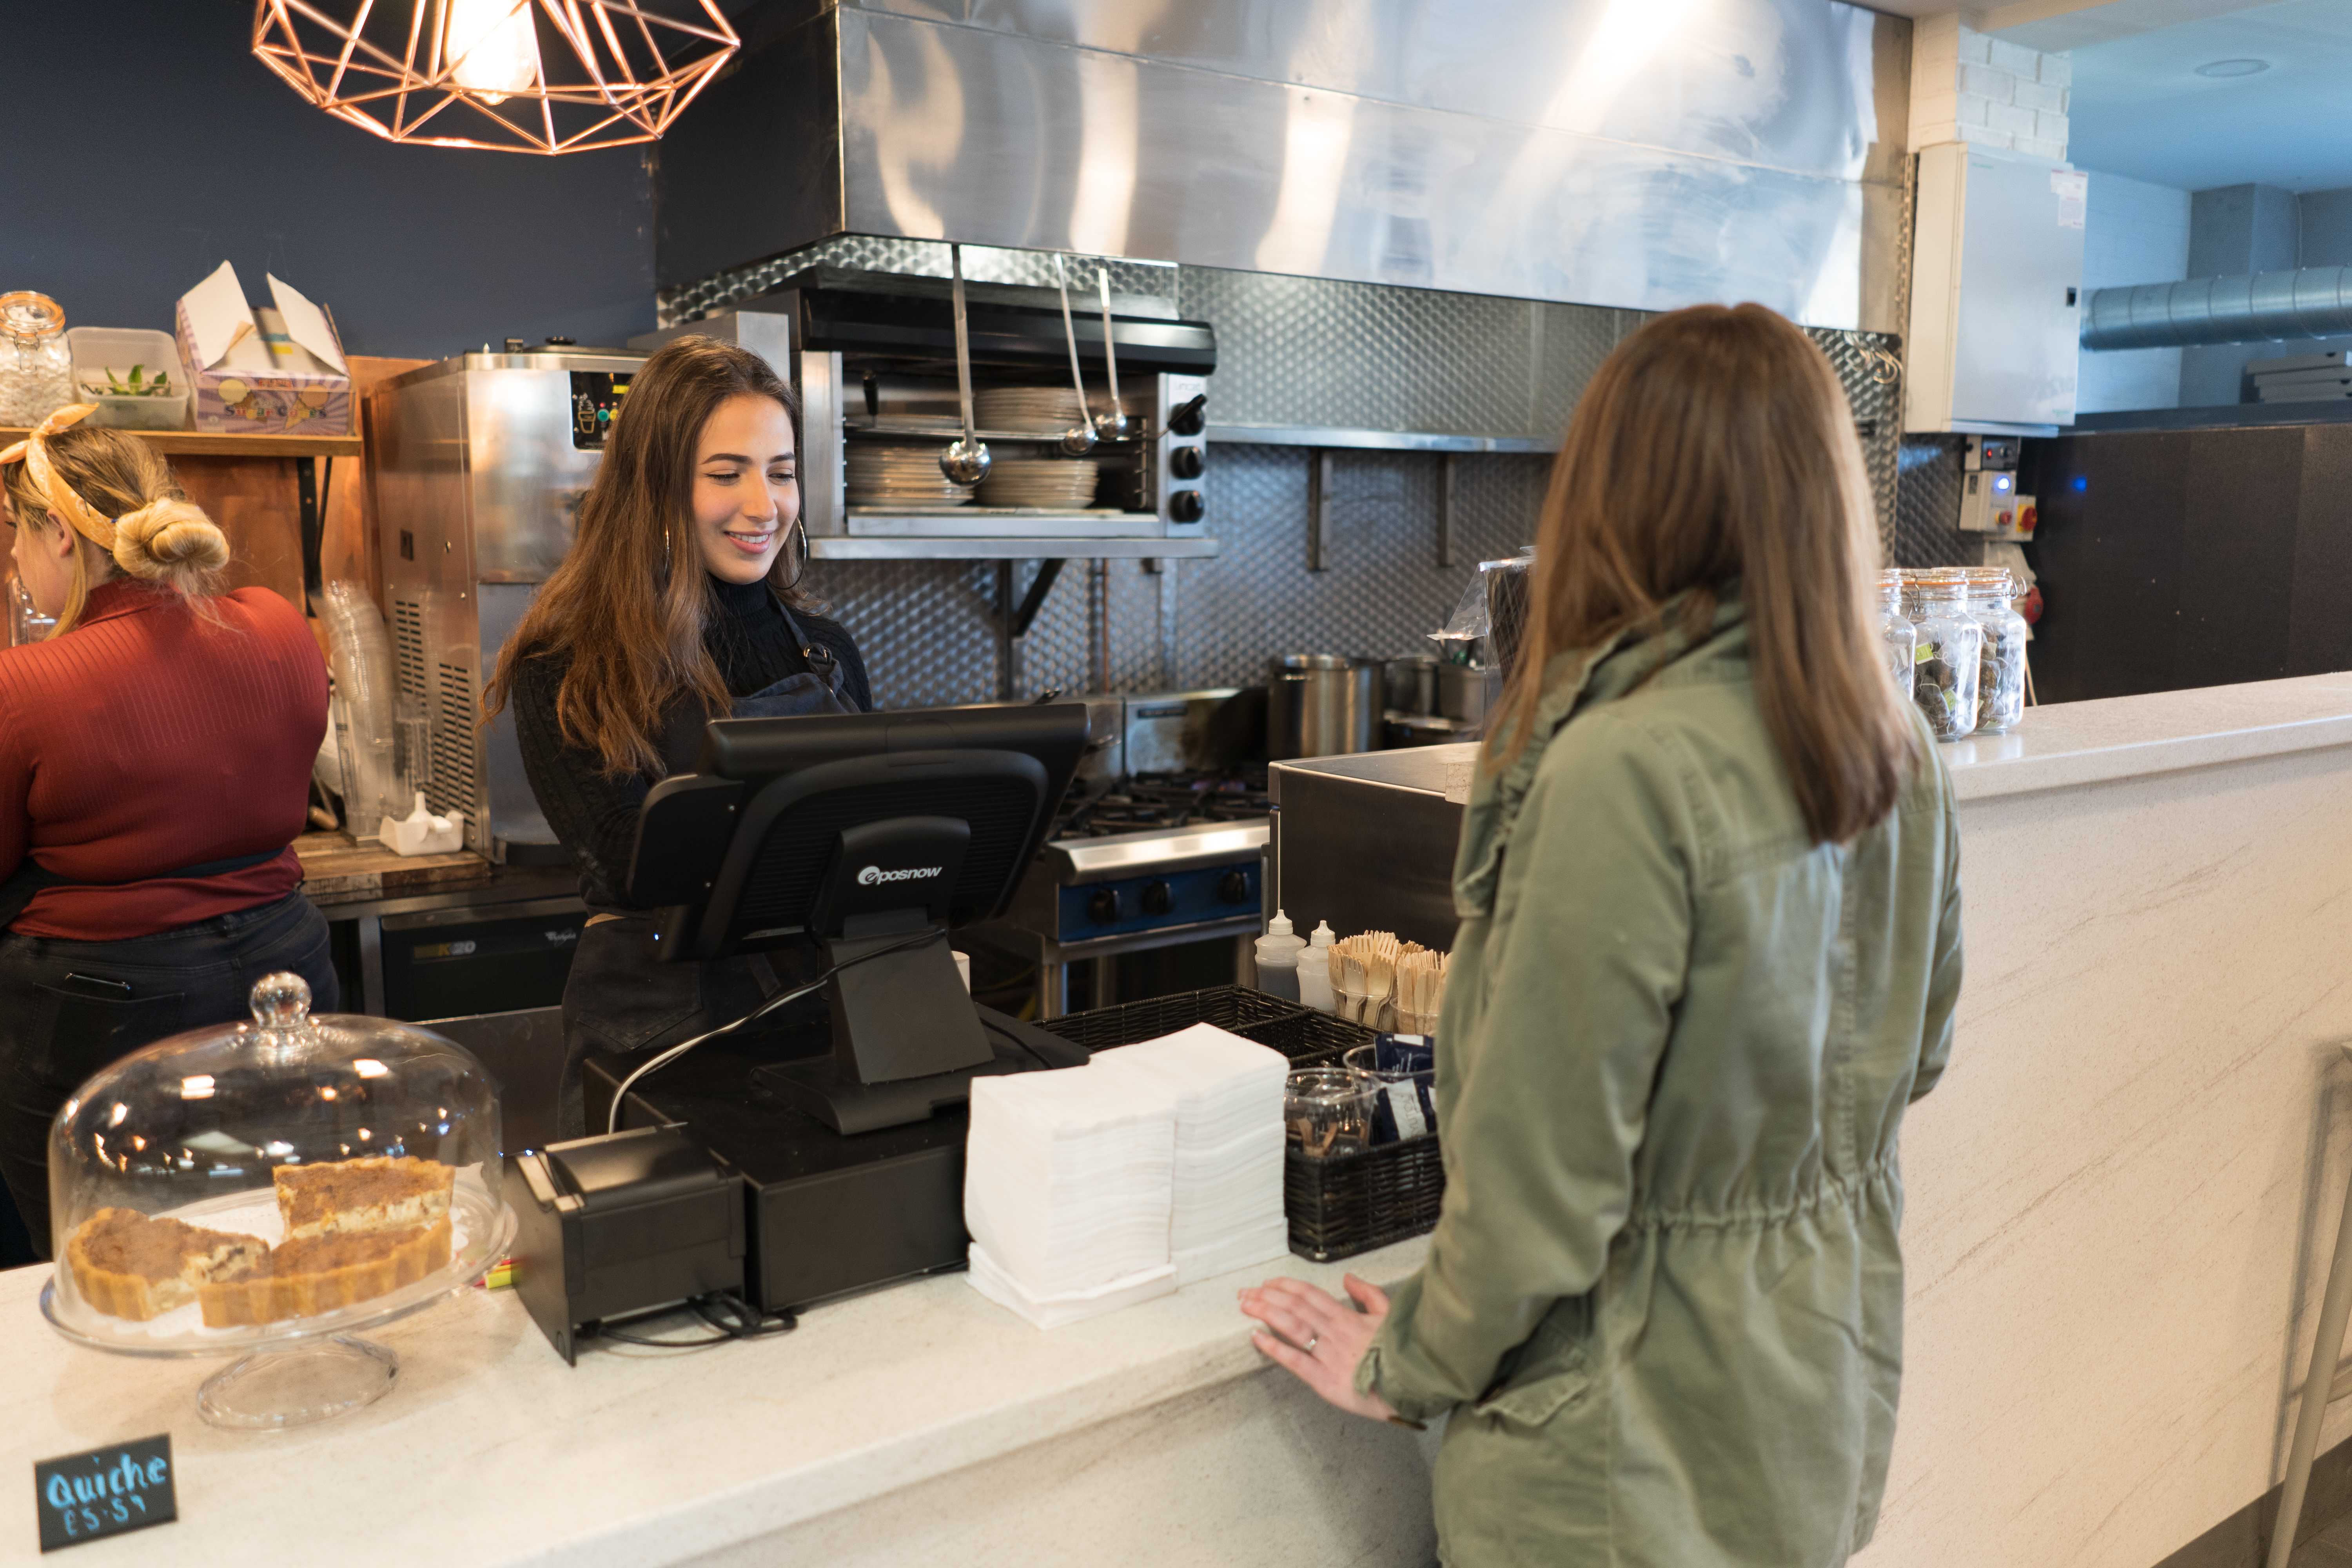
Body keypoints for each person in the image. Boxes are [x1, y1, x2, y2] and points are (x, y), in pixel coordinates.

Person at [1240, 305, 1964, 1567]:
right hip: (1813, 1401)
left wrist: (1410, 1361)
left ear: (1616, 496)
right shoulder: (1893, 747)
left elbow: (1542, 1183)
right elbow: (1922, 1052)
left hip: (1621, 1457)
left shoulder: (1622, 766)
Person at [486, 337, 871, 1138]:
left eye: (782, 470)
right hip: (659, 1041)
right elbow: (626, 860)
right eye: (726, 474)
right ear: (655, 487)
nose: (764, 506)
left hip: (818, 1021)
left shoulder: (828, 650)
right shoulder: (570, 662)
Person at [0, 406, 336, 1256]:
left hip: (103, 1008)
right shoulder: (278, 625)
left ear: (63, 537)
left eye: (15, 533)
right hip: (287, 972)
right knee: (286, 1231)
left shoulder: (26, 684)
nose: (11, 557)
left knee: (113, 1265)